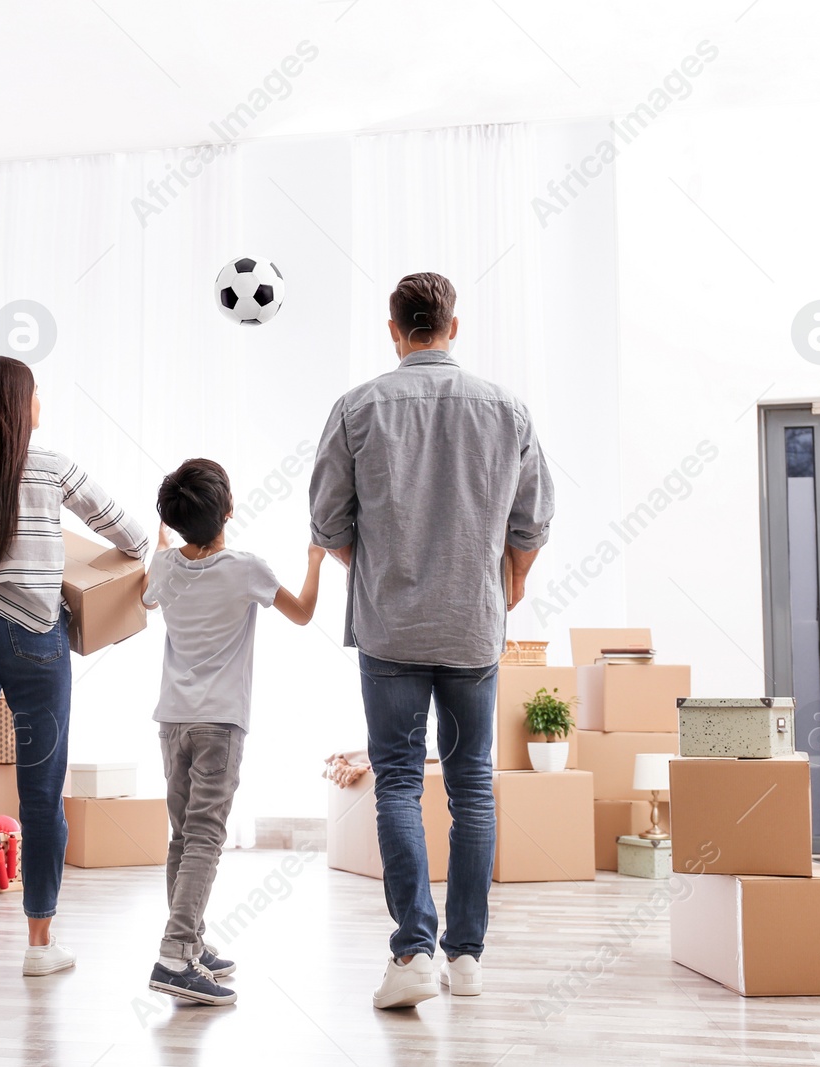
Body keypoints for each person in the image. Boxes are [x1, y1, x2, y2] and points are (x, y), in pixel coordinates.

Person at [308, 272, 555, 1009]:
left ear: (395, 329)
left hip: (391, 627)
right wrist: (506, 581)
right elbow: (533, 522)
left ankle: (413, 950)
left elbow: (327, 524)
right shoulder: (507, 409)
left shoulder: (358, 407)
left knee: (397, 782)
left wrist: (379, 569)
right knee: (473, 784)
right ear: (454, 324)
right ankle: (468, 957)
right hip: (473, 626)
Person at [0, 355, 148, 985]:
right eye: (37, 394)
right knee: (41, 792)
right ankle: (40, 944)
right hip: (33, 632)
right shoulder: (52, 466)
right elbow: (130, 533)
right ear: (22, 405)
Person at [140, 459, 324, 1006]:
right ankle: (174, 956)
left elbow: (150, 586)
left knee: (184, 835)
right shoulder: (246, 568)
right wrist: (315, 559)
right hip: (219, 723)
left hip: (172, 721)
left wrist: (163, 538)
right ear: (228, 511)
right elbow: (303, 614)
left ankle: (190, 941)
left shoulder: (165, 566)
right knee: (205, 838)